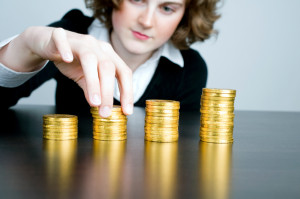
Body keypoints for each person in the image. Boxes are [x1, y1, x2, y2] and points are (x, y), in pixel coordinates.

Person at [0, 0, 220, 117]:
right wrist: (26, 44)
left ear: (185, 15)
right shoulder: (71, 34)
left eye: (167, 8)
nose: (146, 21)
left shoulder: (190, 69)